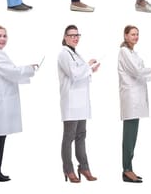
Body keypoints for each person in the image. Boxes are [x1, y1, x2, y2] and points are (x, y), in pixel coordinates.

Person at [0, 25, 38, 181]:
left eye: (4, 36)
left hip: (0, 99)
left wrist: (27, 69)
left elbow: (10, 71)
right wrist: (29, 69)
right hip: (0, 101)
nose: (2, 39)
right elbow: (11, 72)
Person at [118, 25, 151, 182]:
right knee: (129, 135)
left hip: (136, 98)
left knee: (133, 135)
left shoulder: (133, 53)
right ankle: (126, 169)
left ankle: (129, 168)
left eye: (137, 34)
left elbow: (140, 71)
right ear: (125, 36)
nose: (135, 37)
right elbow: (137, 71)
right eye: (132, 34)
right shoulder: (124, 52)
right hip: (131, 98)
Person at [58, 25, 100, 183]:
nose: (75, 38)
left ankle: (84, 167)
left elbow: (81, 73)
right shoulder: (64, 54)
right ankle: (68, 169)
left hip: (81, 102)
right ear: (65, 37)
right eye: (72, 35)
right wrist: (88, 66)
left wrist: (90, 70)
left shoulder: (76, 54)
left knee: (81, 135)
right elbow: (74, 74)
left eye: (77, 35)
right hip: (70, 102)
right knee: (69, 137)